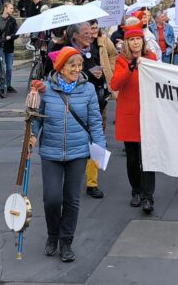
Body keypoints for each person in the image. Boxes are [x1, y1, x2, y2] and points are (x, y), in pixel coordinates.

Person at [29, 46, 105, 263]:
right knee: (52, 199)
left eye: (80, 65)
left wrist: (99, 149)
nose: (77, 69)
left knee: (71, 199)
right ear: (60, 67)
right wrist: (32, 137)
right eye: (72, 65)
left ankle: (66, 241)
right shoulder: (45, 89)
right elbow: (36, 118)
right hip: (51, 152)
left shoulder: (88, 89)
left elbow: (95, 122)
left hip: (78, 151)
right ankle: (52, 234)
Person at [111, 25, 159, 213]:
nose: (136, 42)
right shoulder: (122, 61)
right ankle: (136, 191)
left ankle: (148, 196)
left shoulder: (151, 58)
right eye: (131, 39)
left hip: (147, 115)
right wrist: (130, 68)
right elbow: (115, 83)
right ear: (127, 43)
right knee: (132, 159)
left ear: (143, 40)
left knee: (147, 158)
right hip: (129, 116)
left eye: (138, 38)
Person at [67, 21, 110, 199]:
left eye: (91, 31)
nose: (90, 35)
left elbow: (97, 69)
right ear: (75, 35)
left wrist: (99, 74)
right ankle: (71, 179)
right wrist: (90, 74)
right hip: (73, 105)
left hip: (94, 101)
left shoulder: (92, 49)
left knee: (96, 139)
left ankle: (92, 183)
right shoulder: (65, 52)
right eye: (85, 32)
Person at [0, 2, 19, 94]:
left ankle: (8, 85)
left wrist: (11, 36)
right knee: (2, 67)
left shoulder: (12, 21)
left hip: (9, 47)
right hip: (0, 46)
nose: (12, 10)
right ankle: (3, 86)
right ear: (5, 8)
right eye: (11, 8)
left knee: (9, 68)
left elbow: (16, 33)